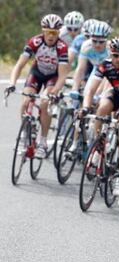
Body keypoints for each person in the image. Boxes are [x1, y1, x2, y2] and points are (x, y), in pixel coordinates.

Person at [79, 36, 119, 196]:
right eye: (115, 55)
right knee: (102, 107)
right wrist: (85, 107)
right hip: (115, 94)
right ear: (110, 54)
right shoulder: (105, 65)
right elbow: (91, 90)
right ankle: (98, 145)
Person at [5, 14, 69, 158]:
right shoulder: (35, 41)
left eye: (54, 33)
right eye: (48, 32)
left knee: (44, 102)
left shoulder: (62, 47)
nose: (51, 36)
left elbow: (63, 76)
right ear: (43, 31)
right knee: (26, 99)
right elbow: (19, 65)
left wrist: (55, 91)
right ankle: (25, 131)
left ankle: (43, 141)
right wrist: (12, 83)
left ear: (59, 33)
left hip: (53, 77)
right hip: (37, 73)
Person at [70, 21, 111, 103]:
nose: (97, 45)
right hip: (96, 69)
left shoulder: (110, 49)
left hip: (109, 73)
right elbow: (80, 69)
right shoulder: (86, 46)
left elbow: (107, 76)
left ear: (106, 40)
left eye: (101, 42)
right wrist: (74, 88)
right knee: (86, 95)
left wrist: (98, 93)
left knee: (102, 97)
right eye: (94, 41)